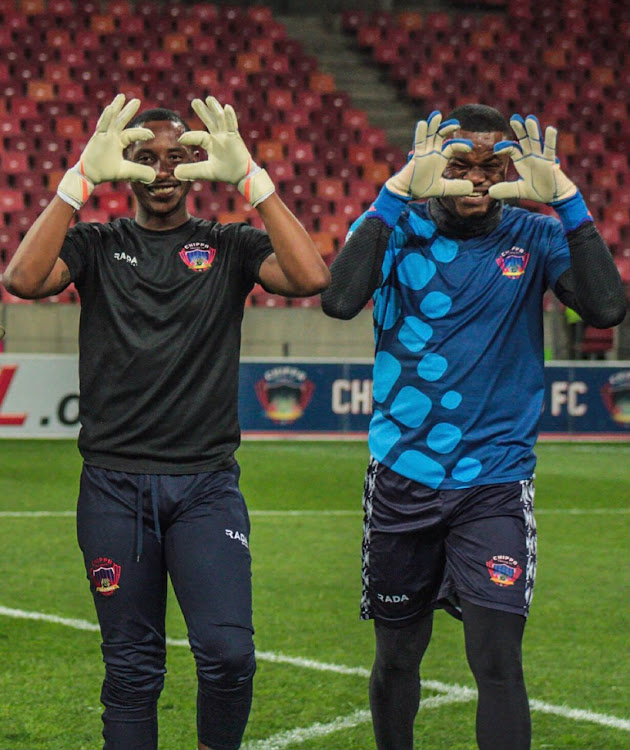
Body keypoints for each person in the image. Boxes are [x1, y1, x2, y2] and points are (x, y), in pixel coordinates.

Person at [2, 94, 330, 750]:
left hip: (205, 487)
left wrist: (251, 179)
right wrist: (78, 178)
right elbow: (23, 279)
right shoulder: (97, 245)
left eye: (179, 158)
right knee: (131, 671)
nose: (163, 172)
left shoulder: (228, 246)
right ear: (123, 167)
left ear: (200, 167)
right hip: (113, 488)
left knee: (229, 655)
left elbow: (310, 275)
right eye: (145, 159)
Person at [321, 105, 626, 750]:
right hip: (402, 478)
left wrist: (568, 201)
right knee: (398, 659)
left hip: (494, 483)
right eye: (461, 165)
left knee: (496, 662)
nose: (478, 180)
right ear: (434, 162)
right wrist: (395, 191)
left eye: (494, 167)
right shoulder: (394, 225)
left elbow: (606, 306)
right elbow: (340, 299)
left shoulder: (535, 236)